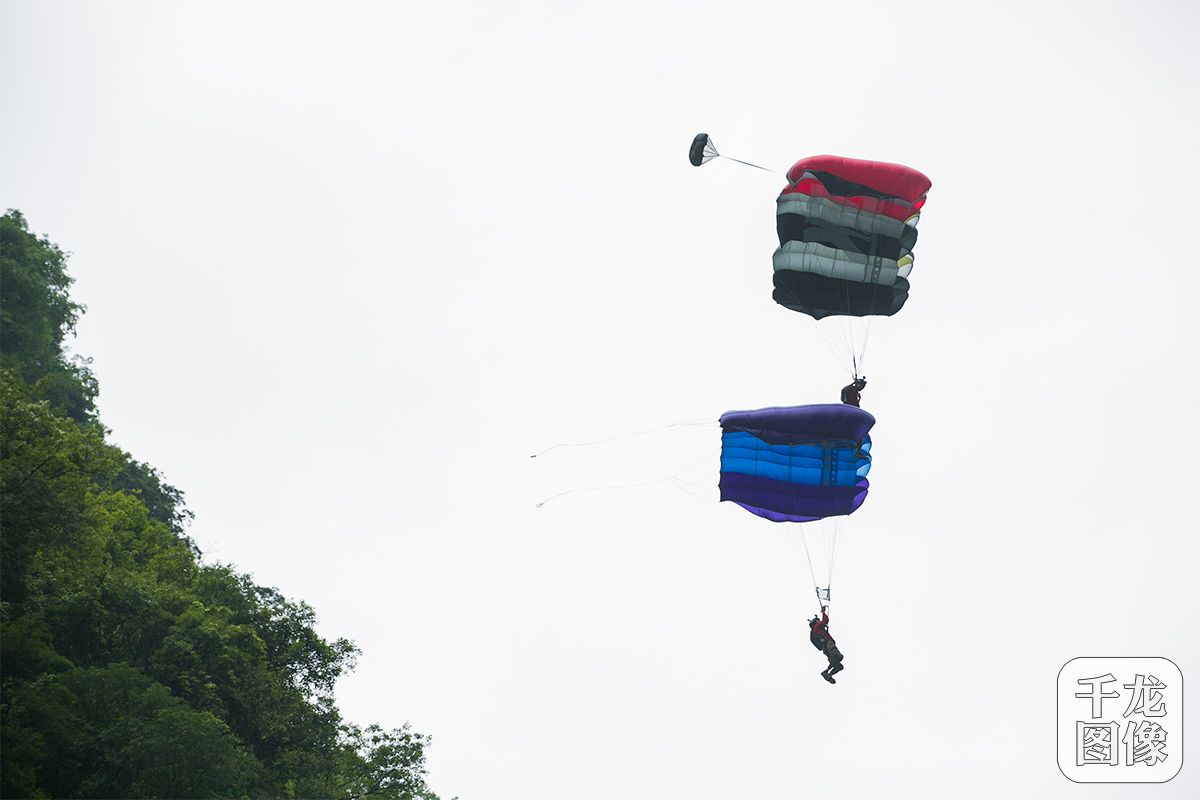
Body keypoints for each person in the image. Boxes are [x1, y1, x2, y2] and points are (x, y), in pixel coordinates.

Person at [808, 606, 845, 683]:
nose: (819, 621)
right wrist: (823, 612)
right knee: (838, 656)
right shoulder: (817, 626)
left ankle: (829, 674)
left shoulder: (815, 631)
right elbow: (825, 620)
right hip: (828, 643)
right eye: (818, 620)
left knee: (839, 666)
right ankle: (826, 672)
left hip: (825, 648)